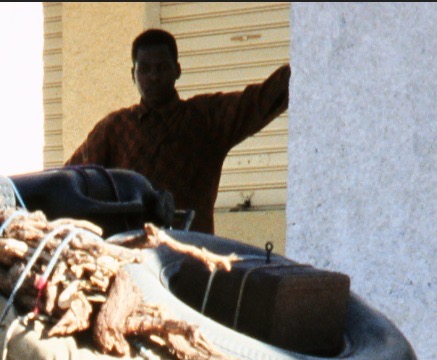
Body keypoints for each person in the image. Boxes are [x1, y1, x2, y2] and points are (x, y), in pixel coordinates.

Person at [65, 28, 289, 234]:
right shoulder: (115, 128)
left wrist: (301, 63)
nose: (154, 77)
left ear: (177, 70)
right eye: (145, 69)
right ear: (133, 74)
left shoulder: (206, 118)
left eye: (162, 68)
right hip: (131, 251)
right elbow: (71, 179)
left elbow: (260, 100)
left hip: (190, 250)